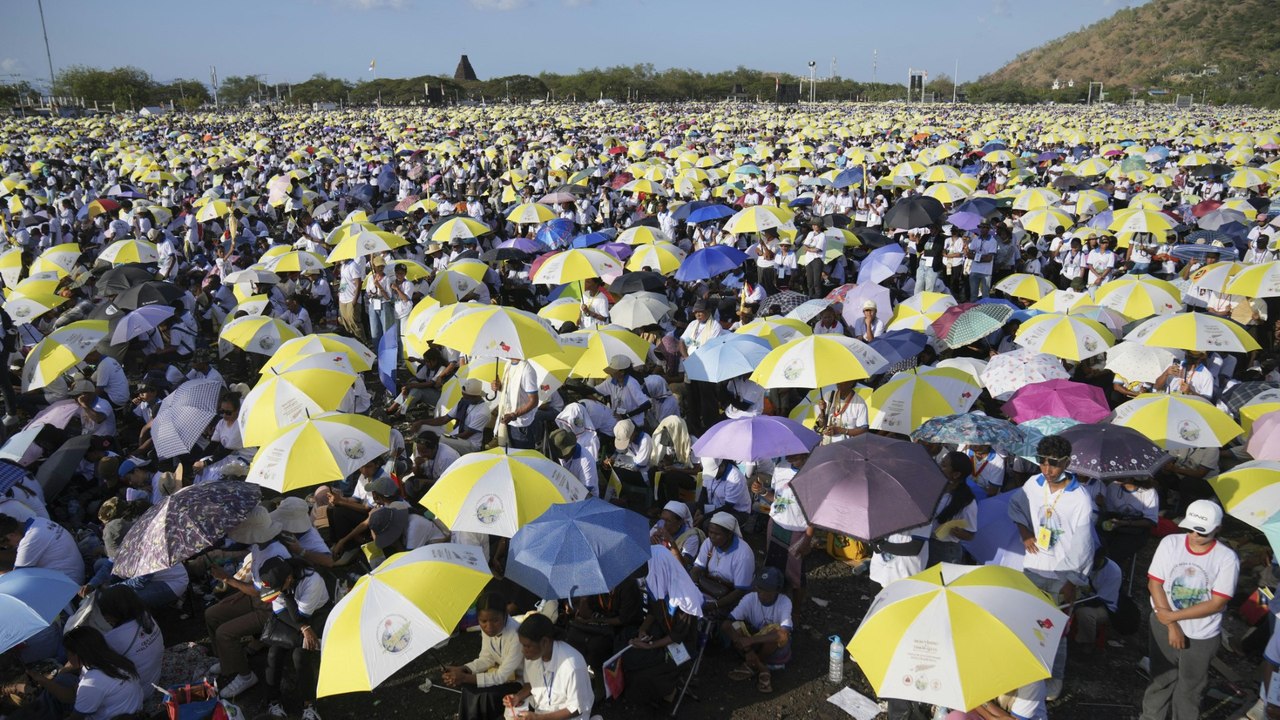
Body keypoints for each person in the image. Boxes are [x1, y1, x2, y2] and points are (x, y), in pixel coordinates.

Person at [1141, 500, 1238, 720]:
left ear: (1218, 529)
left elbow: (1217, 603)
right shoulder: (1170, 543)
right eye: (1191, 529)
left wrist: (1173, 617)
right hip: (1163, 623)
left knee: (1190, 690)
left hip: (1201, 633)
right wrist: (1172, 625)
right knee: (1160, 679)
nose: (1194, 535)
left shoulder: (1226, 558)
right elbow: (1155, 584)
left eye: (1202, 532)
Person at [205, 505, 289, 697]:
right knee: (212, 614)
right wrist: (237, 591)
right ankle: (228, 660)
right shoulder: (260, 546)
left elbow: (263, 593)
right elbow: (254, 582)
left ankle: (245, 675)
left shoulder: (276, 554)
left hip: (272, 608)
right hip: (256, 598)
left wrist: (228, 579)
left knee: (224, 633)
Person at [626, 546, 700, 709]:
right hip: (661, 634)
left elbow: (677, 636)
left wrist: (649, 646)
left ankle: (666, 692)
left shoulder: (685, 598)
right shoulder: (657, 581)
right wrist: (643, 629)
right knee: (629, 653)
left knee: (647, 673)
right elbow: (654, 610)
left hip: (683, 645)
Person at [258, 555, 330, 720]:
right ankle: (273, 701)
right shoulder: (280, 582)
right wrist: (303, 628)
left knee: (301, 654)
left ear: (289, 578)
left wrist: (286, 594)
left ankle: (309, 705)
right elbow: (279, 611)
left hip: (315, 614)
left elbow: (301, 616)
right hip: (294, 618)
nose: (274, 594)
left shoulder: (313, 581)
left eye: (277, 589)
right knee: (274, 652)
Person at [26, 627, 143, 720]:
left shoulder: (92, 682)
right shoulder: (113, 660)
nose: (67, 657)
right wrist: (43, 680)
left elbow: (75, 714)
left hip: (115, 716)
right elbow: (73, 694)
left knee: (51, 697)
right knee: (63, 680)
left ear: (77, 655)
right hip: (128, 710)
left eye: (68, 653)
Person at [444, 592, 524, 720]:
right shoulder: (489, 628)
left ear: (505, 614)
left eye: (495, 620)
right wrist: (463, 668)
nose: (489, 627)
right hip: (502, 674)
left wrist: (464, 677)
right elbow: (487, 658)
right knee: (469, 689)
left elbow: (501, 677)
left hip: (520, 682)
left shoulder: (516, 635)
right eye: (483, 621)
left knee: (484, 695)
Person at [502, 614, 595, 720]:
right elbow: (530, 684)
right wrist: (518, 696)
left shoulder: (571, 667)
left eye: (527, 646)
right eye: (522, 645)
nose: (523, 651)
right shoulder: (533, 656)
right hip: (542, 711)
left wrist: (538, 718)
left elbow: (576, 709)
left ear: (544, 642)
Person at [722, 567, 793, 694]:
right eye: (759, 589)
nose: (761, 593)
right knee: (735, 625)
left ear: (777, 590)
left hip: (771, 648)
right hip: (750, 646)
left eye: (766, 590)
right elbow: (726, 624)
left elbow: (783, 634)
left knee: (776, 632)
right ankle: (761, 667)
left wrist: (751, 640)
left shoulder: (784, 602)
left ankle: (754, 664)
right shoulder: (750, 598)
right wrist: (748, 649)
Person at [98, 585, 165, 689]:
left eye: (104, 613)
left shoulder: (112, 639)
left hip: (139, 691)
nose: (105, 617)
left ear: (112, 611)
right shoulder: (145, 616)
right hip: (154, 677)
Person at [691, 512, 754, 617]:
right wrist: (693, 588)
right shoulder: (708, 543)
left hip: (729, 596)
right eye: (710, 532)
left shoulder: (743, 554)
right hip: (709, 587)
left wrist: (715, 605)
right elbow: (697, 568)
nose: (712, 536)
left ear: (729, 534)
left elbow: (740, 591)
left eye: (717, 534)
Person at [0, 512, 85, 583]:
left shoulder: (30, 540)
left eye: (4, 543)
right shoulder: (39, 521)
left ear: (12, 534)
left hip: (68, 583)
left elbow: (16, 578)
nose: (6, 547)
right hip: (74, 573)